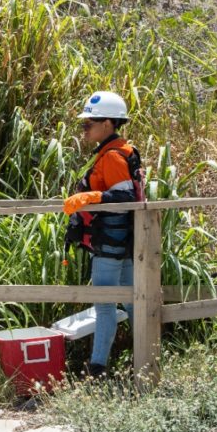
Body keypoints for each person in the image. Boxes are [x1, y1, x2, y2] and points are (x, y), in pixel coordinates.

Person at [63, 90, 145, 378]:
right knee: (133, 300)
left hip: (110, 242)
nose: (85, 128)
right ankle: (146, 359)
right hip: (124, 242)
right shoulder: (120, 150)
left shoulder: (111, 156)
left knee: (105, 304)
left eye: (90, 123)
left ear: (108, 123)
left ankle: (98, 368)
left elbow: (123, 197)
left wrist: (89, 197)